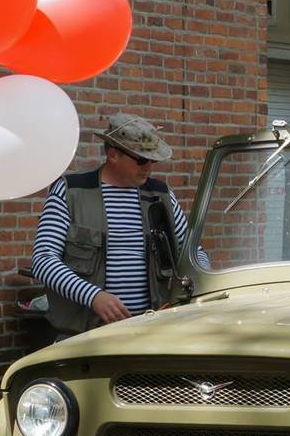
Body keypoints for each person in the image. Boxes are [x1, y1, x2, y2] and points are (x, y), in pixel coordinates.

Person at [32, 113, 206, 337]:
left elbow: (193, 254)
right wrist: (93, 297)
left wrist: (203, 281)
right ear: (113, 154)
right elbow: (43, 260)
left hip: (151, 333)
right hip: (85, 337)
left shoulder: (161, 195)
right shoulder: (70, 191)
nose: (149, 167)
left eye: (153, 160)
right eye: (141, 159)